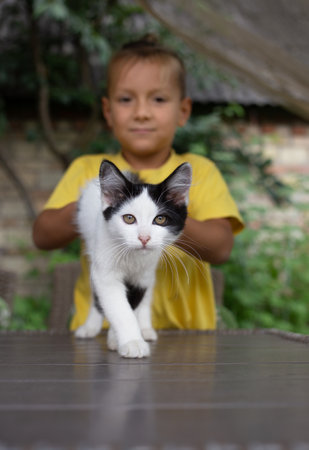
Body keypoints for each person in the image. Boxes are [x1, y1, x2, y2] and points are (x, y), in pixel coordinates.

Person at [32, 34, 244, 331]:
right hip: (102, 338)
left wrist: (160, 216)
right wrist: (100, 206)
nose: (141, 113)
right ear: (108, 111)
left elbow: (221, 248)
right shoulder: (89, 171)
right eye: (126, 99)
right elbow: (42, 236)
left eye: (158, 99)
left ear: (183, 111)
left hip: (188, 339)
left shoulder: (199, 171)